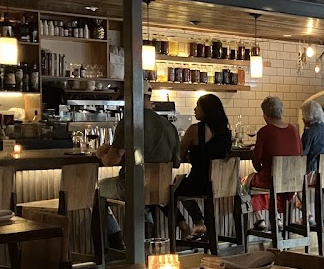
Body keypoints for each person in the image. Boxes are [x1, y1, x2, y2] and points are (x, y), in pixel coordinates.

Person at [97, 87, 180, 248]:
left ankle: (115, 240)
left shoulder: (128, 122)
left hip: (132, 186)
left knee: (96, 190)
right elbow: (176, 162)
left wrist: (100, 154)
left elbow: (112, 160)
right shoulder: (169, 126)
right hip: (159, 189)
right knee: (143, 194)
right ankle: (147, 231)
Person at [173, 94, 232, 241]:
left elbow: (178, 156)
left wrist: (190, 156)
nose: (195, 109)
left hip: (200, 183)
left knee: (169, 191)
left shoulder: (195, 129)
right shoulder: (225, 132)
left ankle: (191, 223)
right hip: (222, 184)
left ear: (206, 110)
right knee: (181, 186)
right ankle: (200, 224)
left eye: (198, 106)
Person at [247, 96, 302, 228]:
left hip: (270, 179)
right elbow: (300, 153)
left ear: (265, 114)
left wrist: (261, 171)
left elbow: (256, 159)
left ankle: (260, 219)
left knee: (247, 182)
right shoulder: (294, 129)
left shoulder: (264, 132)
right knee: (274, 186)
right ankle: (277, 218)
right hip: (292, 179)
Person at [300, 100, 324, 173]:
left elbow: (302, 152)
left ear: (308, 115)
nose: (302, 118)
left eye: (303, 115)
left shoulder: (310, 131)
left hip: (312, 171)